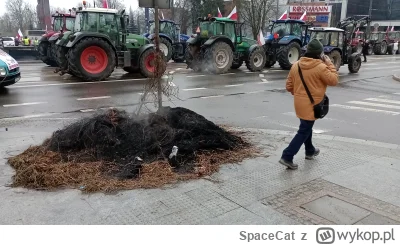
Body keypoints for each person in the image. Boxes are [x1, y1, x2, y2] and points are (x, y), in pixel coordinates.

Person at [279, 39, 339, 170]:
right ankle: (287, 156)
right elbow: (334, 80)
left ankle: (310, 150)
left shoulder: (296, 65)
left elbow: (289, 86)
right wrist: (329, 62)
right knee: (304, 130)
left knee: (306, 127)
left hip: (299, 103)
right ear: (319, 54)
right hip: (313, 104)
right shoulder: (321, 67)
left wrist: (300, 94)